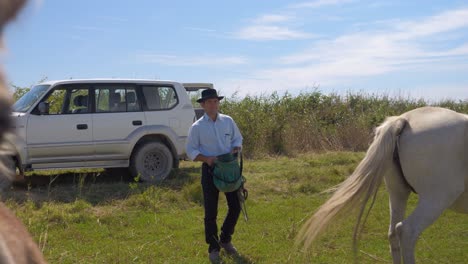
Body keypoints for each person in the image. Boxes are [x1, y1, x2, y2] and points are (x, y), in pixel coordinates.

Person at [186, 88, 243, 263]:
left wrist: (235, 148)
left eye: (215, 101)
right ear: (203, 105)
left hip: (229, 169)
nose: (213, 104)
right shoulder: (197, 127)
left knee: (236, 206)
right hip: (210, 170)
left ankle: (225, 239)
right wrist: (207, 159)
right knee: (211, 212)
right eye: (209, 101)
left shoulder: (228, 121)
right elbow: (191, 151)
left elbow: (237, 139)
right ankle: (213, 248)